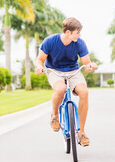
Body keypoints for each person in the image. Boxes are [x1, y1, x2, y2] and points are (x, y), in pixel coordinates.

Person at [35, 17, 97, 147]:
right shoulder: (50, 41)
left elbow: (86, 62)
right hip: (54, 70)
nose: (79, 35)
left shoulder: (79, 43)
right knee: (60, 89)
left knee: (84, 92)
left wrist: (91, 66)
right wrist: (39, 67)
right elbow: (40, 60)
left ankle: (81, 132)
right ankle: (55, 115)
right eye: (77, 32)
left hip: (73, 71)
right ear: (68, 32)